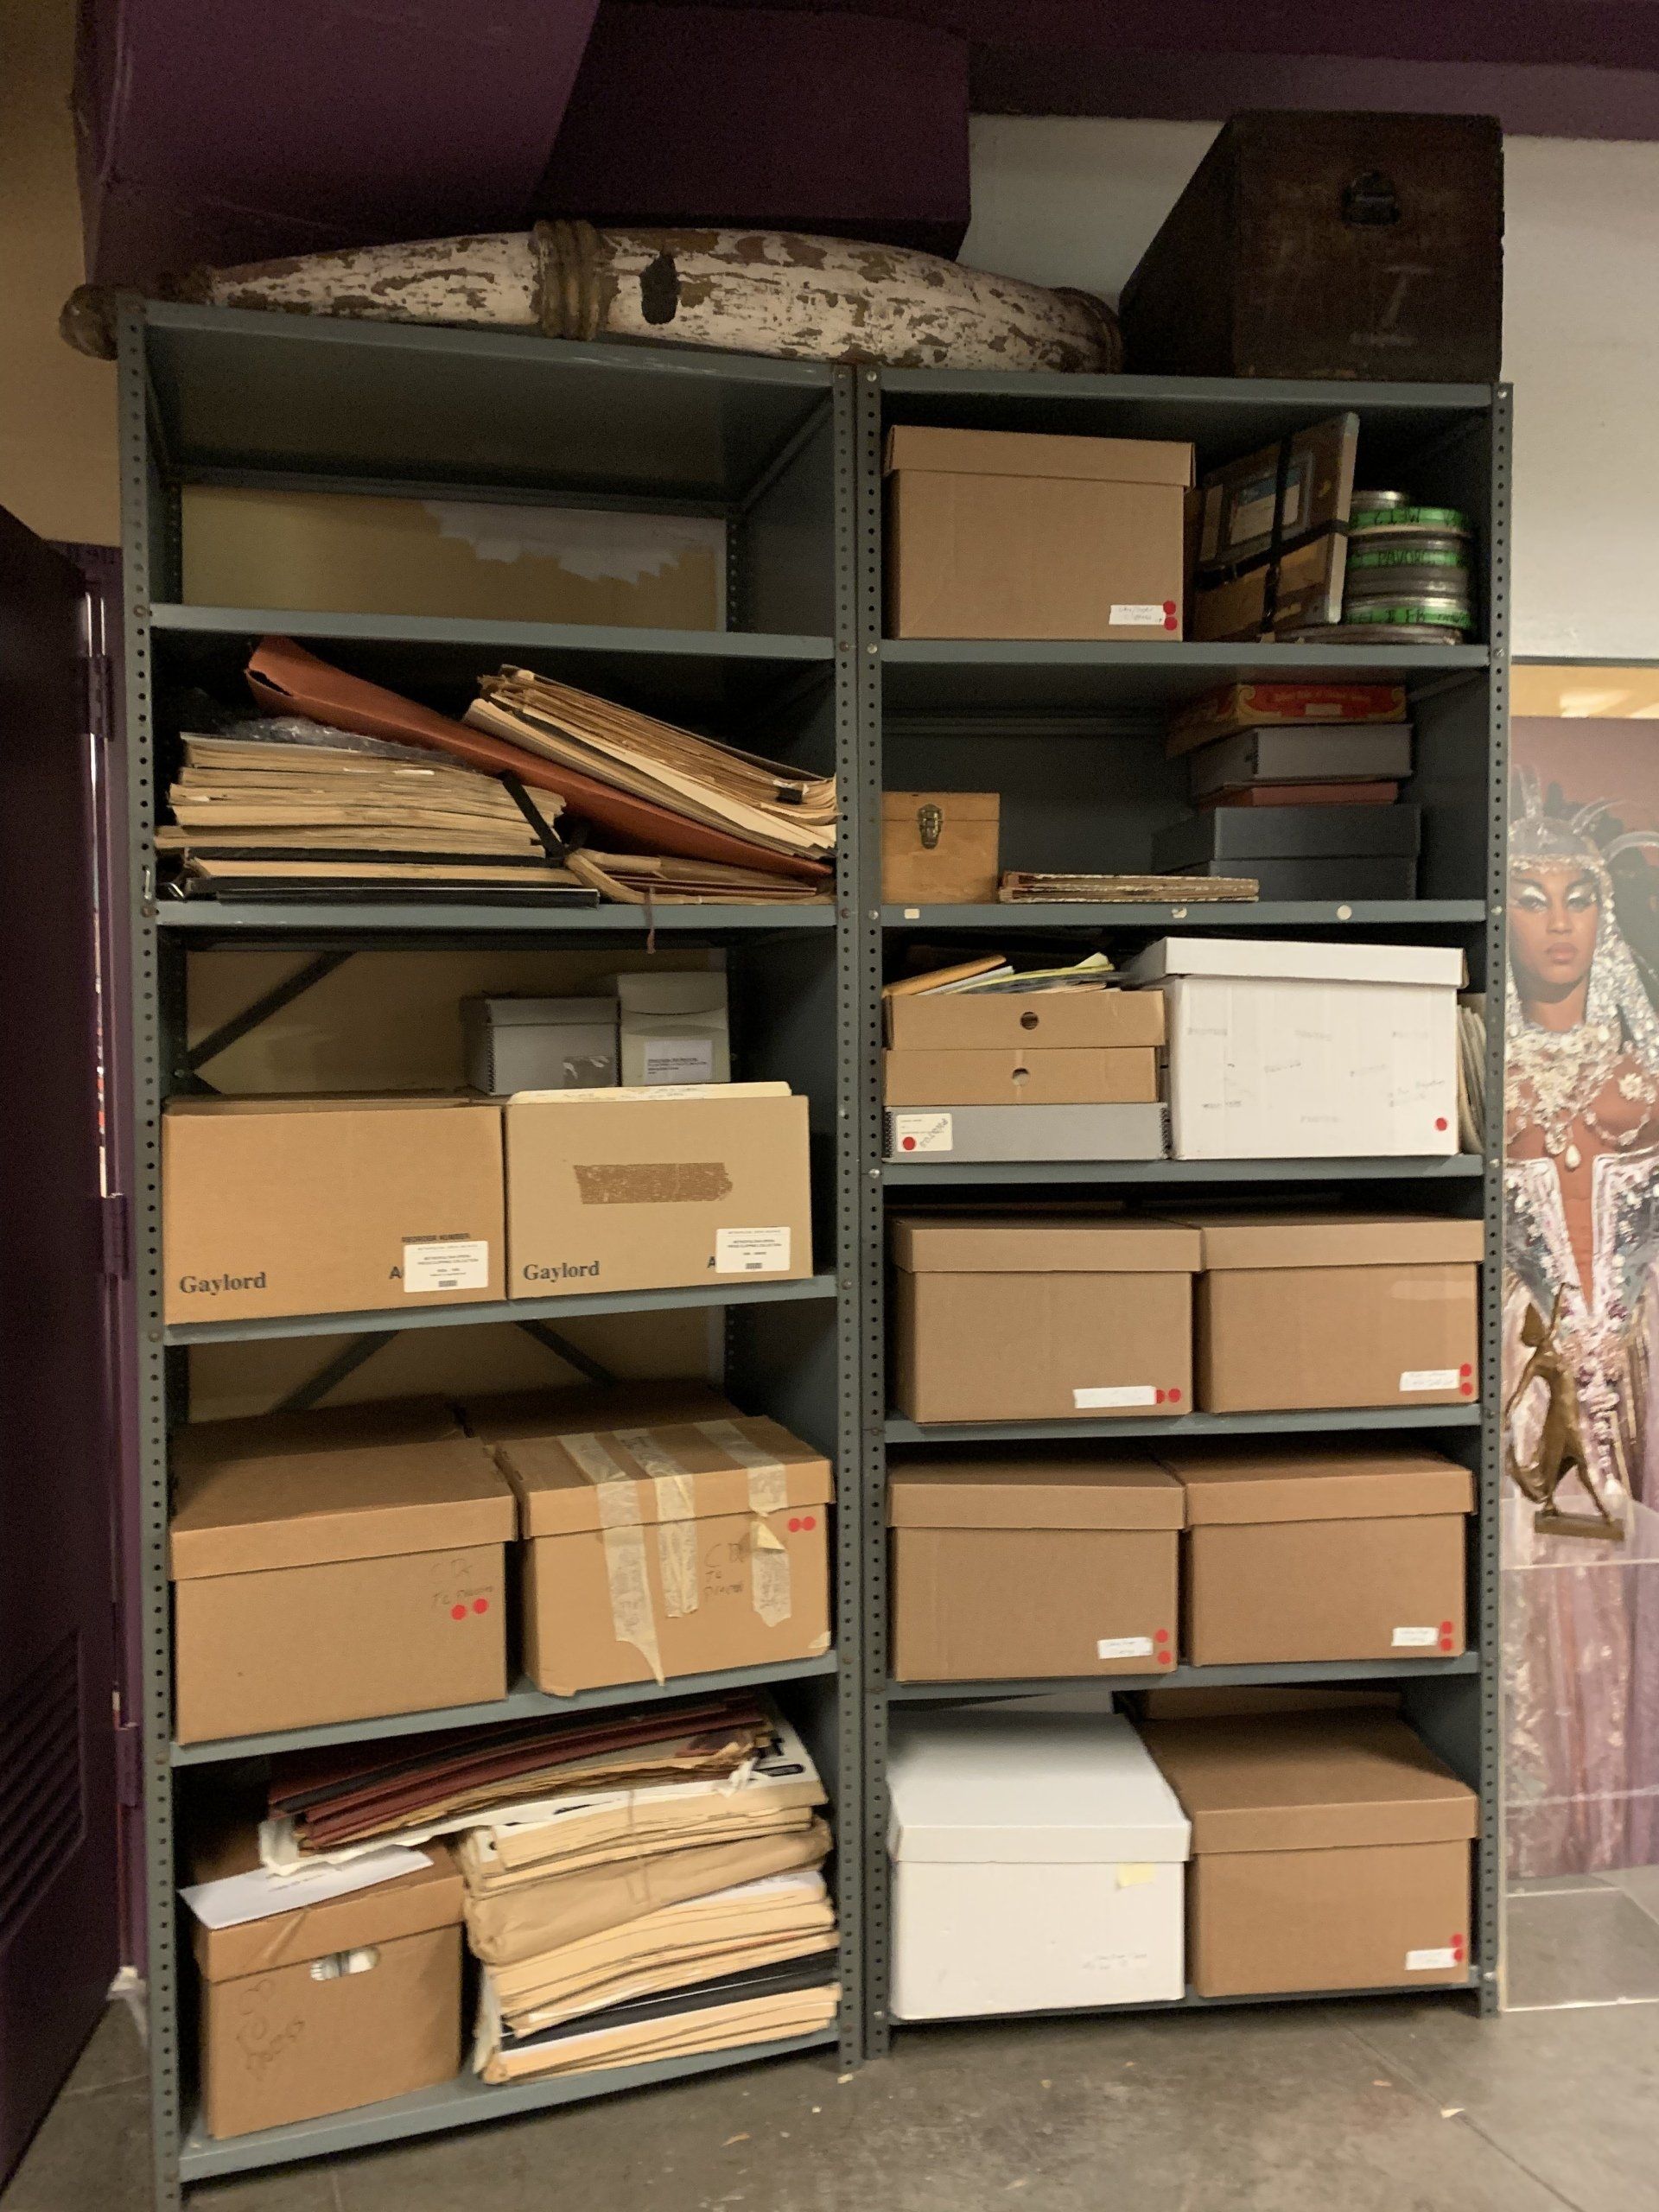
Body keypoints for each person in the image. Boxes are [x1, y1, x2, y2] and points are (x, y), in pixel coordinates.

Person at [1504, 779, 1659, 1875]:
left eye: (1580, 897)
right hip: (1523, 1375)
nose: (1559, 923)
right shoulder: (1477, 1065)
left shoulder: (1646, 1070)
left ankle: (1629, 1845)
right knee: (1535, 1606)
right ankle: (1546, 1850)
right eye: (1531, 898)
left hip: (1638, 1365)